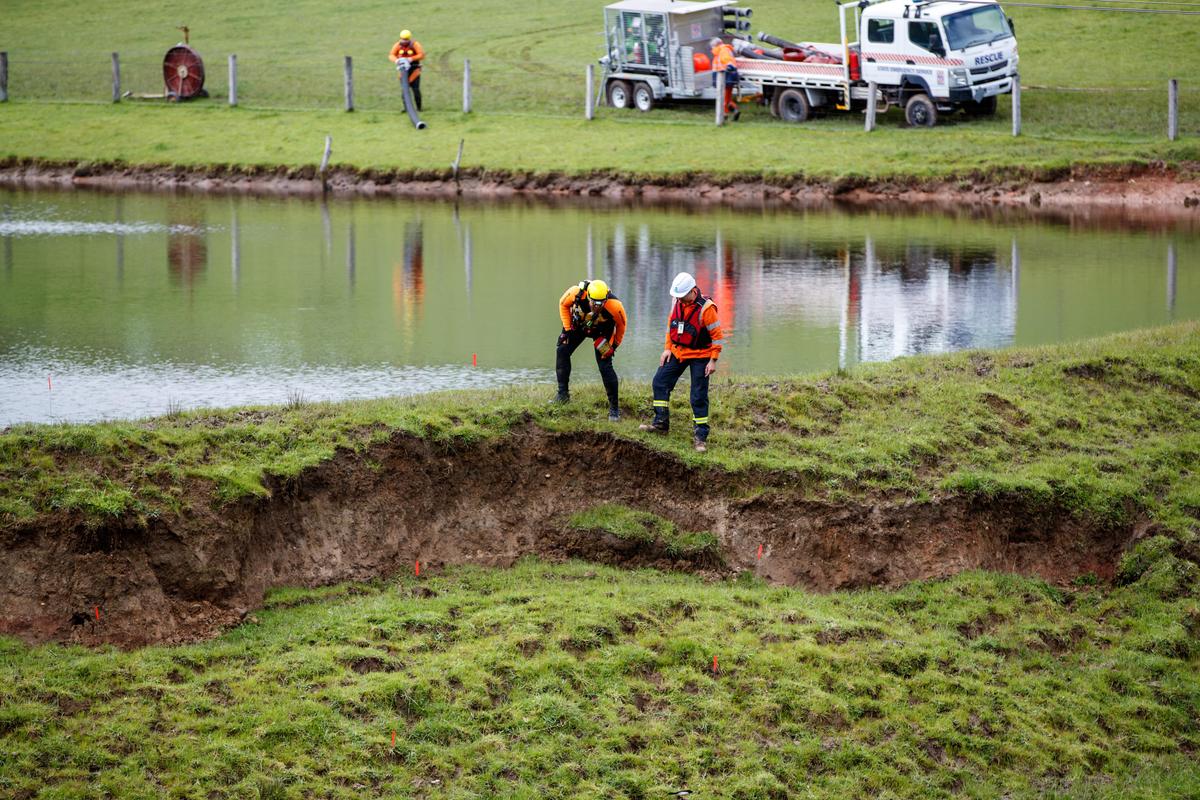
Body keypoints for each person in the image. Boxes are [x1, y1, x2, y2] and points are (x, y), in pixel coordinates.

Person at [639, 271, 724, 452]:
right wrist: (667, 348)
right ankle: (660, 423)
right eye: (678, 297)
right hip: (678, 352)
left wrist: (713, 360)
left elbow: (717, 336)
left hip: (701, 356)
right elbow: (671, 325)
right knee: (660, 382)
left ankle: (700, 436)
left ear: (693, 291)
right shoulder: (677, 302)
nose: (680, 300)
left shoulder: (707, 309)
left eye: (683, 297)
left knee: (698, 395)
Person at [553, 279, 627, 421]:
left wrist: (615, 345)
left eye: (601, 303)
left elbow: (622, 326)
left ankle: (614, 409)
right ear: (588, 297)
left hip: (601, 334)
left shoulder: (615, 306)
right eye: (594, 302)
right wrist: (567, 330)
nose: (597, 306)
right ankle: (563, 395)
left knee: (605, 366)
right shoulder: (576, 292)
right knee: (562, 350)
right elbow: (563, 304)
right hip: (579, 327)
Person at [389, 30, 426, 111]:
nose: (404, 41)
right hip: (403, 71)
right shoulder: (397, 45)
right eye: (403, 39)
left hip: (414, 70)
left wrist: (411, 59)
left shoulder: (415, 44)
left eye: (406, 39)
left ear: (409, 38)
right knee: (404, 90)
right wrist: (396, 60)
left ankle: (419, 108)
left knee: (415, 89)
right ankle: (406, 108)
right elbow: (391, 55)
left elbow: (422, 55)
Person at [710, 37, 740, 121]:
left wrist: (729, 66)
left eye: (712, 47)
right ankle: (734, 110)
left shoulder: (722, 50)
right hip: (728, 78)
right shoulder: (724, 50)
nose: (712, 49)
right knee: (727, 98)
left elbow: (727, 61)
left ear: (715, 45)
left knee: (723, 98)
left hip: (724, 78)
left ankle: (724, 115)